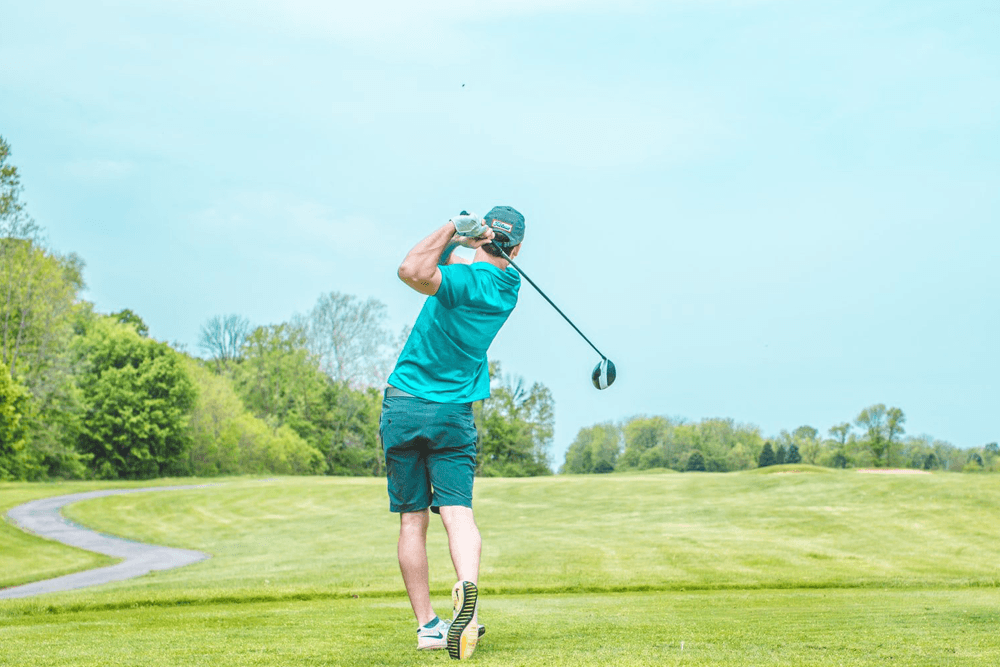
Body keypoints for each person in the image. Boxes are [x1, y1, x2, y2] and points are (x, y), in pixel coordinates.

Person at [380, 206, 525, 660]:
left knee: (412, 519)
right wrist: (470, 243)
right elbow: (446, 272)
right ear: (517, 249)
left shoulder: (461, 282)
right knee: (458, 512)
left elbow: (411, 269)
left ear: (484, 239)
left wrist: (452, 229)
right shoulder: (508, 289)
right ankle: (469, 603)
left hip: (403, 406)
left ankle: (428, 626)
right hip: (452, 417)